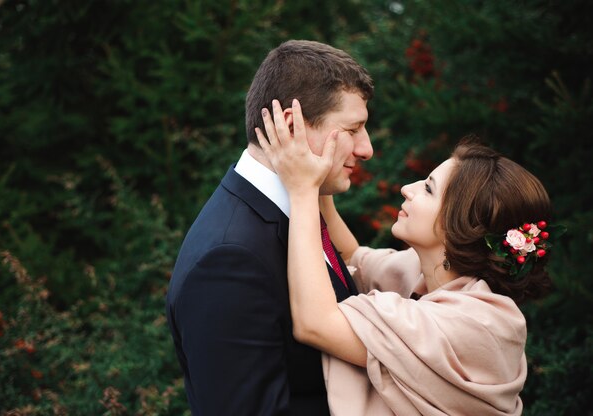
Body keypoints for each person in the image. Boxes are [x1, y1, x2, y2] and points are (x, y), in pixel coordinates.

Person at [255, 98, 558, 415]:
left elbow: (315, 324)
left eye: (428, 189)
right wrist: (320, 177)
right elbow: (351, 254)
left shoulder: (477, 326)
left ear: (459, 226)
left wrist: (302, 190)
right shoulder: (428, 275)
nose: (407, 189)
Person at [165, 40, 375, 415]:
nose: (366, 148)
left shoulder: (298, 213)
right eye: (353, 129)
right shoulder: (229, 260)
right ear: (291, 126)